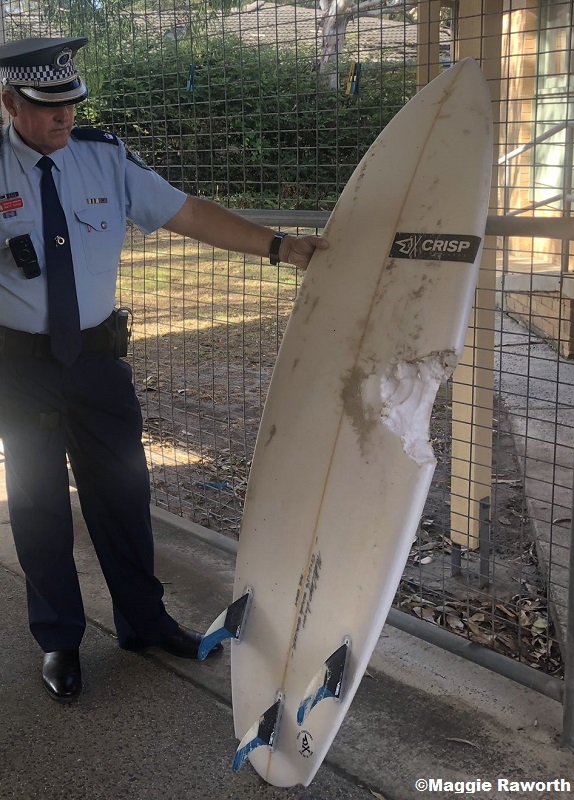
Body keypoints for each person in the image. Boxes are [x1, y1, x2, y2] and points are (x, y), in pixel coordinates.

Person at [0, 35, 328, 703]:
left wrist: (279, 247)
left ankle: (144, 623)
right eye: (46, 108)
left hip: (97, 364)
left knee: (122, 496)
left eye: (72, 105)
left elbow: (187, 212)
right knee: (36, 505)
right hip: (20, 368)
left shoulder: (104, 158)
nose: (64, 118)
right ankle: (60, 638)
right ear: (8, 102)